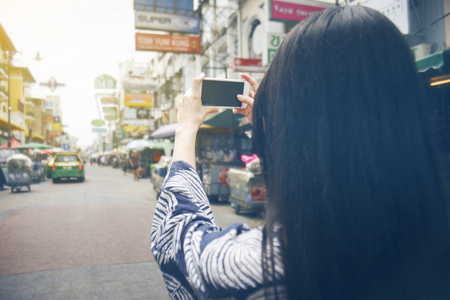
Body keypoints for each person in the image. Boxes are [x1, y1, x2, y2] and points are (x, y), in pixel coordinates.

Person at [151, 6, 450, 300]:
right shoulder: (429, 240)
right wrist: (271, 127)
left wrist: (186, 129)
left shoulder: (261, 265)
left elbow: (177, 236)